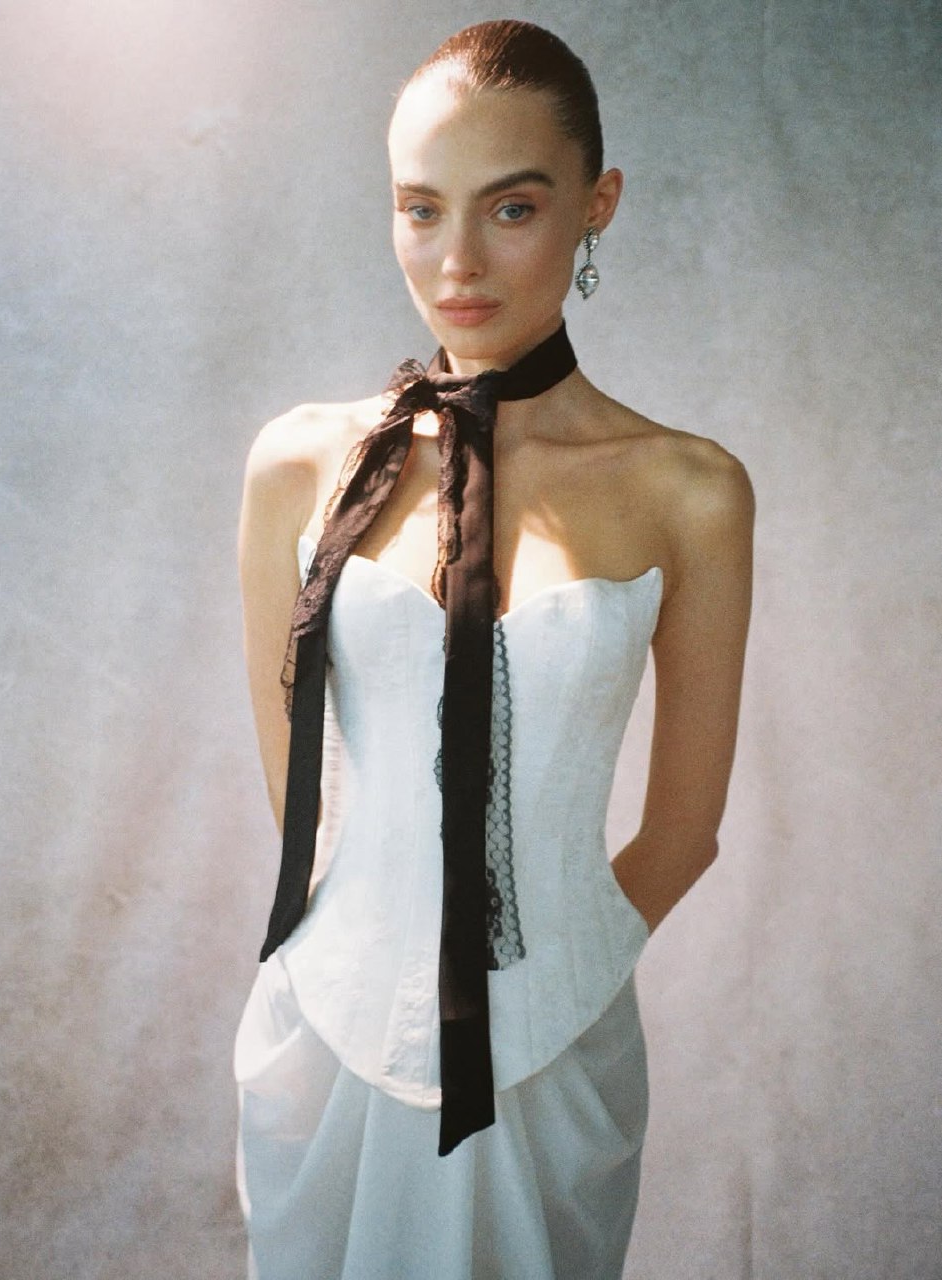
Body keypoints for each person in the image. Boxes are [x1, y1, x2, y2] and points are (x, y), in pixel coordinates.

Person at [234, 19, 753, 1280]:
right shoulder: (298, 462)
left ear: (595, 204)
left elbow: (685, 830)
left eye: (510, 208)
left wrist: (557, 975)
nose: (456, 260)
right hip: (324, 1042)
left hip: (552, 1064)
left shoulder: (690, 490)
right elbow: (297, 796)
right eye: (421, 209)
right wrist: (348, 963)